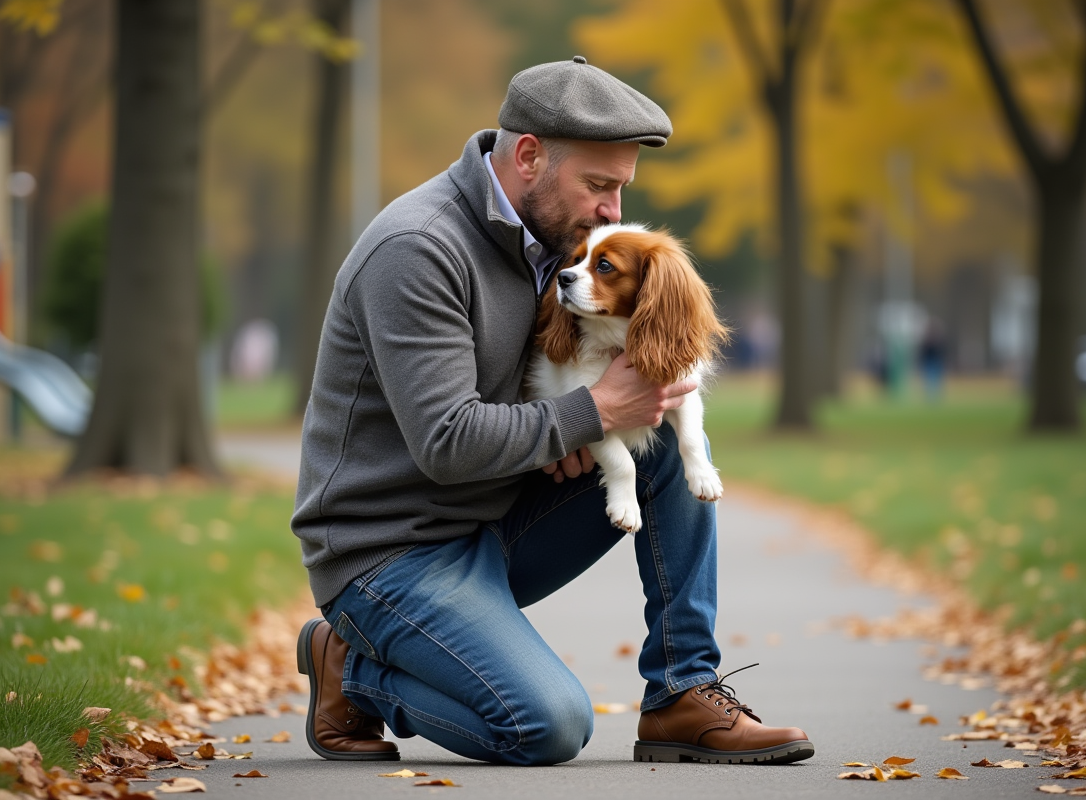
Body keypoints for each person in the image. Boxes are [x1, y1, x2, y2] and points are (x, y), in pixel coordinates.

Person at [291, 56, 814, 767]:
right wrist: (584, 415)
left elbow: (569, 387)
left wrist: (585, 418)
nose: (612, 212)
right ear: (529, 157)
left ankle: (682, 693)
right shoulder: (418, 248)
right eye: (599, 185)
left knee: (663, 448)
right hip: (390, 551)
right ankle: (348, 663)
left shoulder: (556, 246)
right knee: (547, 725)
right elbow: (447, 442)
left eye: (622, 189)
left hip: (496, 517)